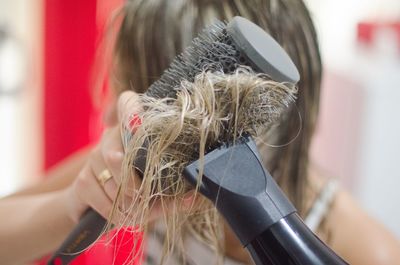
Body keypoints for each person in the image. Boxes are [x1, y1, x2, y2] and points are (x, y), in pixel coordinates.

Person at [1, 0, 400, 265]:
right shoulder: (133, 171)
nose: (109, 115)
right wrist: (71, 204)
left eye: (131, 89)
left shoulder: (366, 249)